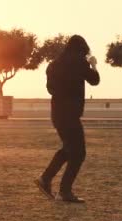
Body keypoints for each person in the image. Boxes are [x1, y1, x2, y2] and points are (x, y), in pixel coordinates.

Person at [35, 35, 100, 203]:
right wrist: (93, 64)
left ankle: (45, 179)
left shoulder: (53, 65)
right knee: (78, 153)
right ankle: (64, 191)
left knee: (68, 149)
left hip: (57, 114)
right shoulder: (80, 62)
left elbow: (50, 89)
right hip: (71, 115)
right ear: (82, 48)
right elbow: (95, 80)